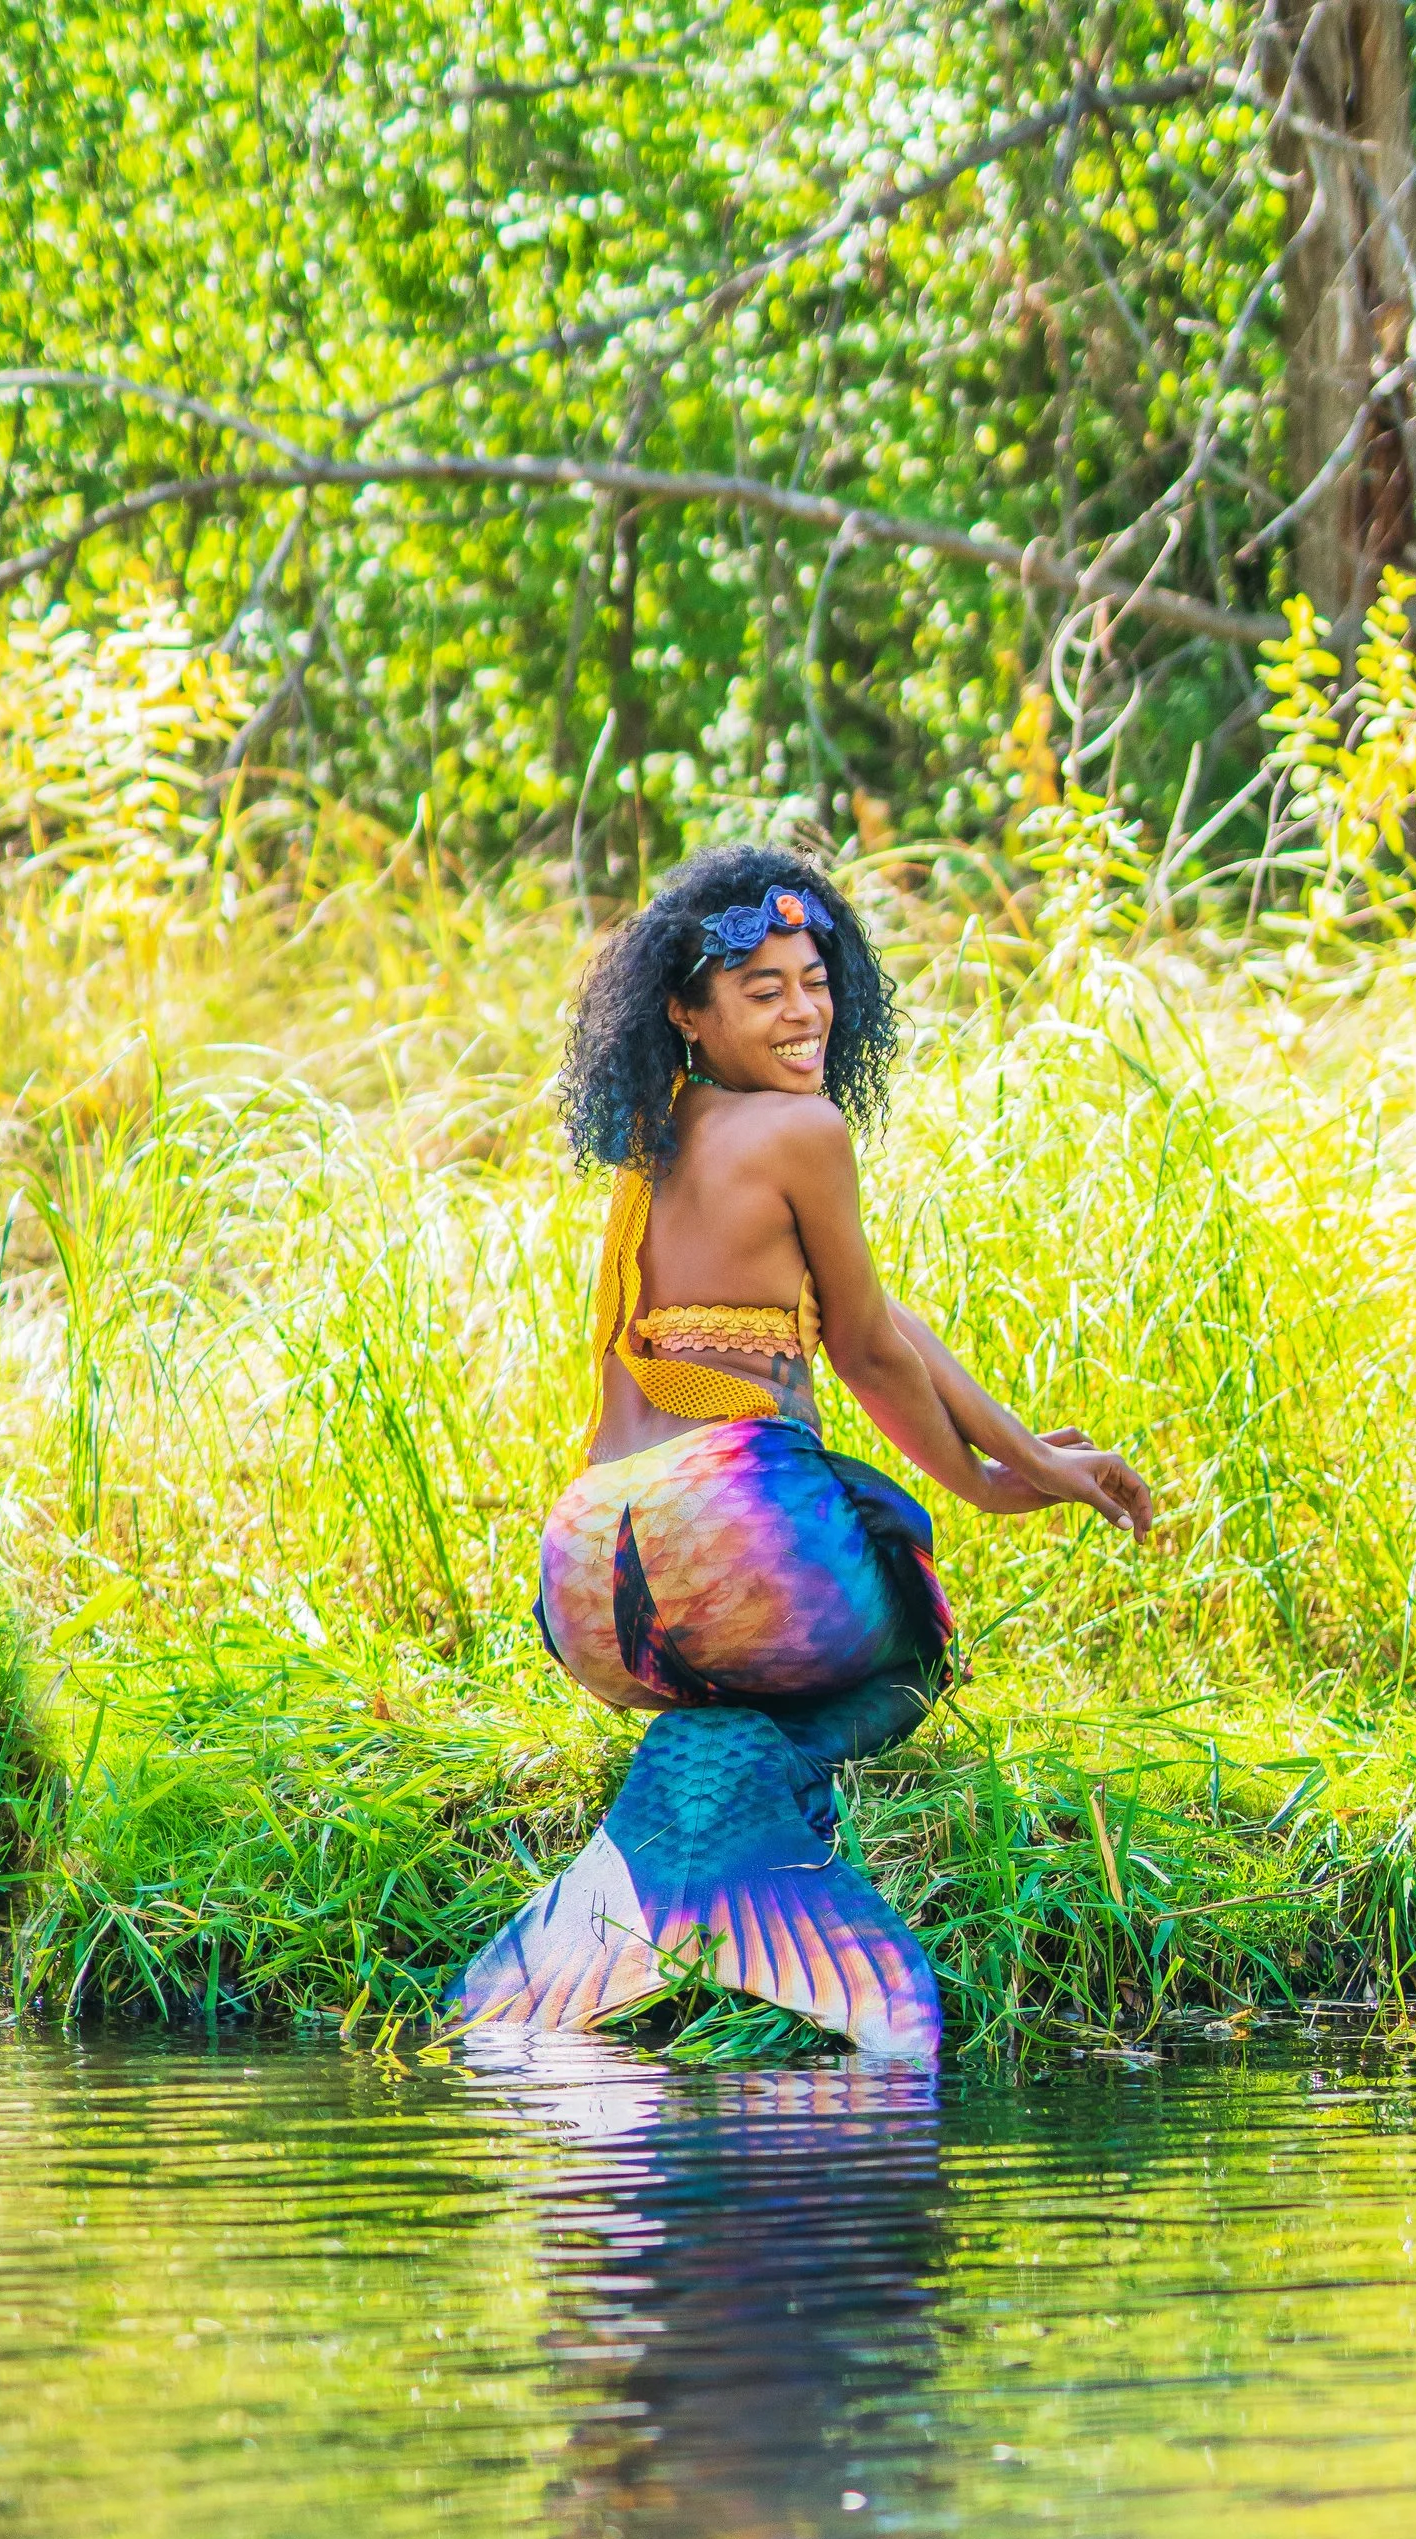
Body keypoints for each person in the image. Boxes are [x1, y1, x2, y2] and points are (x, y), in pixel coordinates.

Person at [446, 843, 1151, 2057]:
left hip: (586, 1569)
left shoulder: (655, 1134)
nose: (803, 1009)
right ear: (688, 1010)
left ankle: (671, 1810)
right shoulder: (802, 1128)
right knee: (916, 1641)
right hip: (735, 1530)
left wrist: (1019, 1455)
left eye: (814, 978)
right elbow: (869, 1355)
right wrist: (991, 1488)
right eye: (762, 988)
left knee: (821, 1583)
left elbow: (871, 1319)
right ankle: (752, 1850)